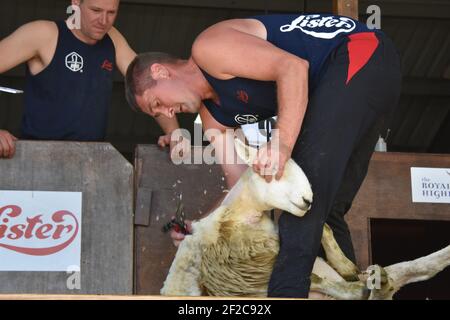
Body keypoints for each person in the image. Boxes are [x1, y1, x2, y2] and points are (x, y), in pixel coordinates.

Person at [125, 13, 402, 298]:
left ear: (160, 71)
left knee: (302, 205)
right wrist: (199, 228)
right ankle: (350, 292)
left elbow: (292, 68)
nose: (167, 114)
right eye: (158, 114)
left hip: (358, 50)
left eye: (157, 103)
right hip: (373, 77)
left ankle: (285, 295)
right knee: (326, 209)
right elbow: (236, 183)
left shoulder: (208, 48)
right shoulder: (213, 118)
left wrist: (280, 145)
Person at [0, 0, 181, 159]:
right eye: (96, 10)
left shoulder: (113, 39)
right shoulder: (43, 34)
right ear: (76, 3)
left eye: (111, 13)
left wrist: (173, 132)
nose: (103, 21)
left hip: (89, 162)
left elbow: (148, 85)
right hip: (36, 159)